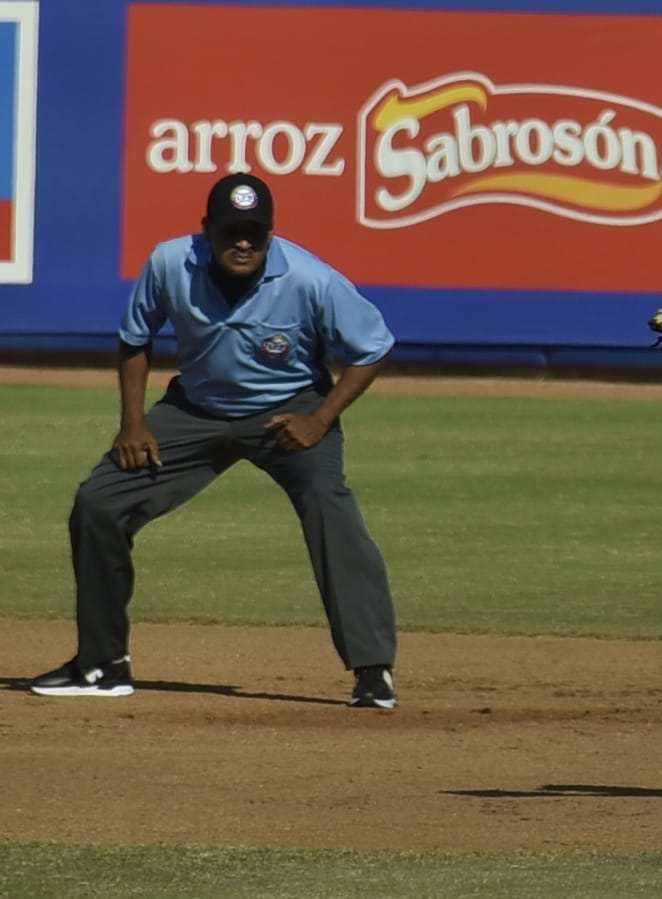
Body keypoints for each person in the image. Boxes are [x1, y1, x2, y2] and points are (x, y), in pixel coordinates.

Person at [28, 172, 400, 709]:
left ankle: (373, 669)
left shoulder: (310, 279)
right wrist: (133, 422)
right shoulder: (169, 263)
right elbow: (135, 338)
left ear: (270, 233)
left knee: (329, 504)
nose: (242, 243)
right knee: (99, 503)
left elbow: (374, 347)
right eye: (230, 231)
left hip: (288, 412)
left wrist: (320, 419)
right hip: (195, 410)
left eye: (254, 233)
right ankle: (102, 664)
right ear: (207, 230)